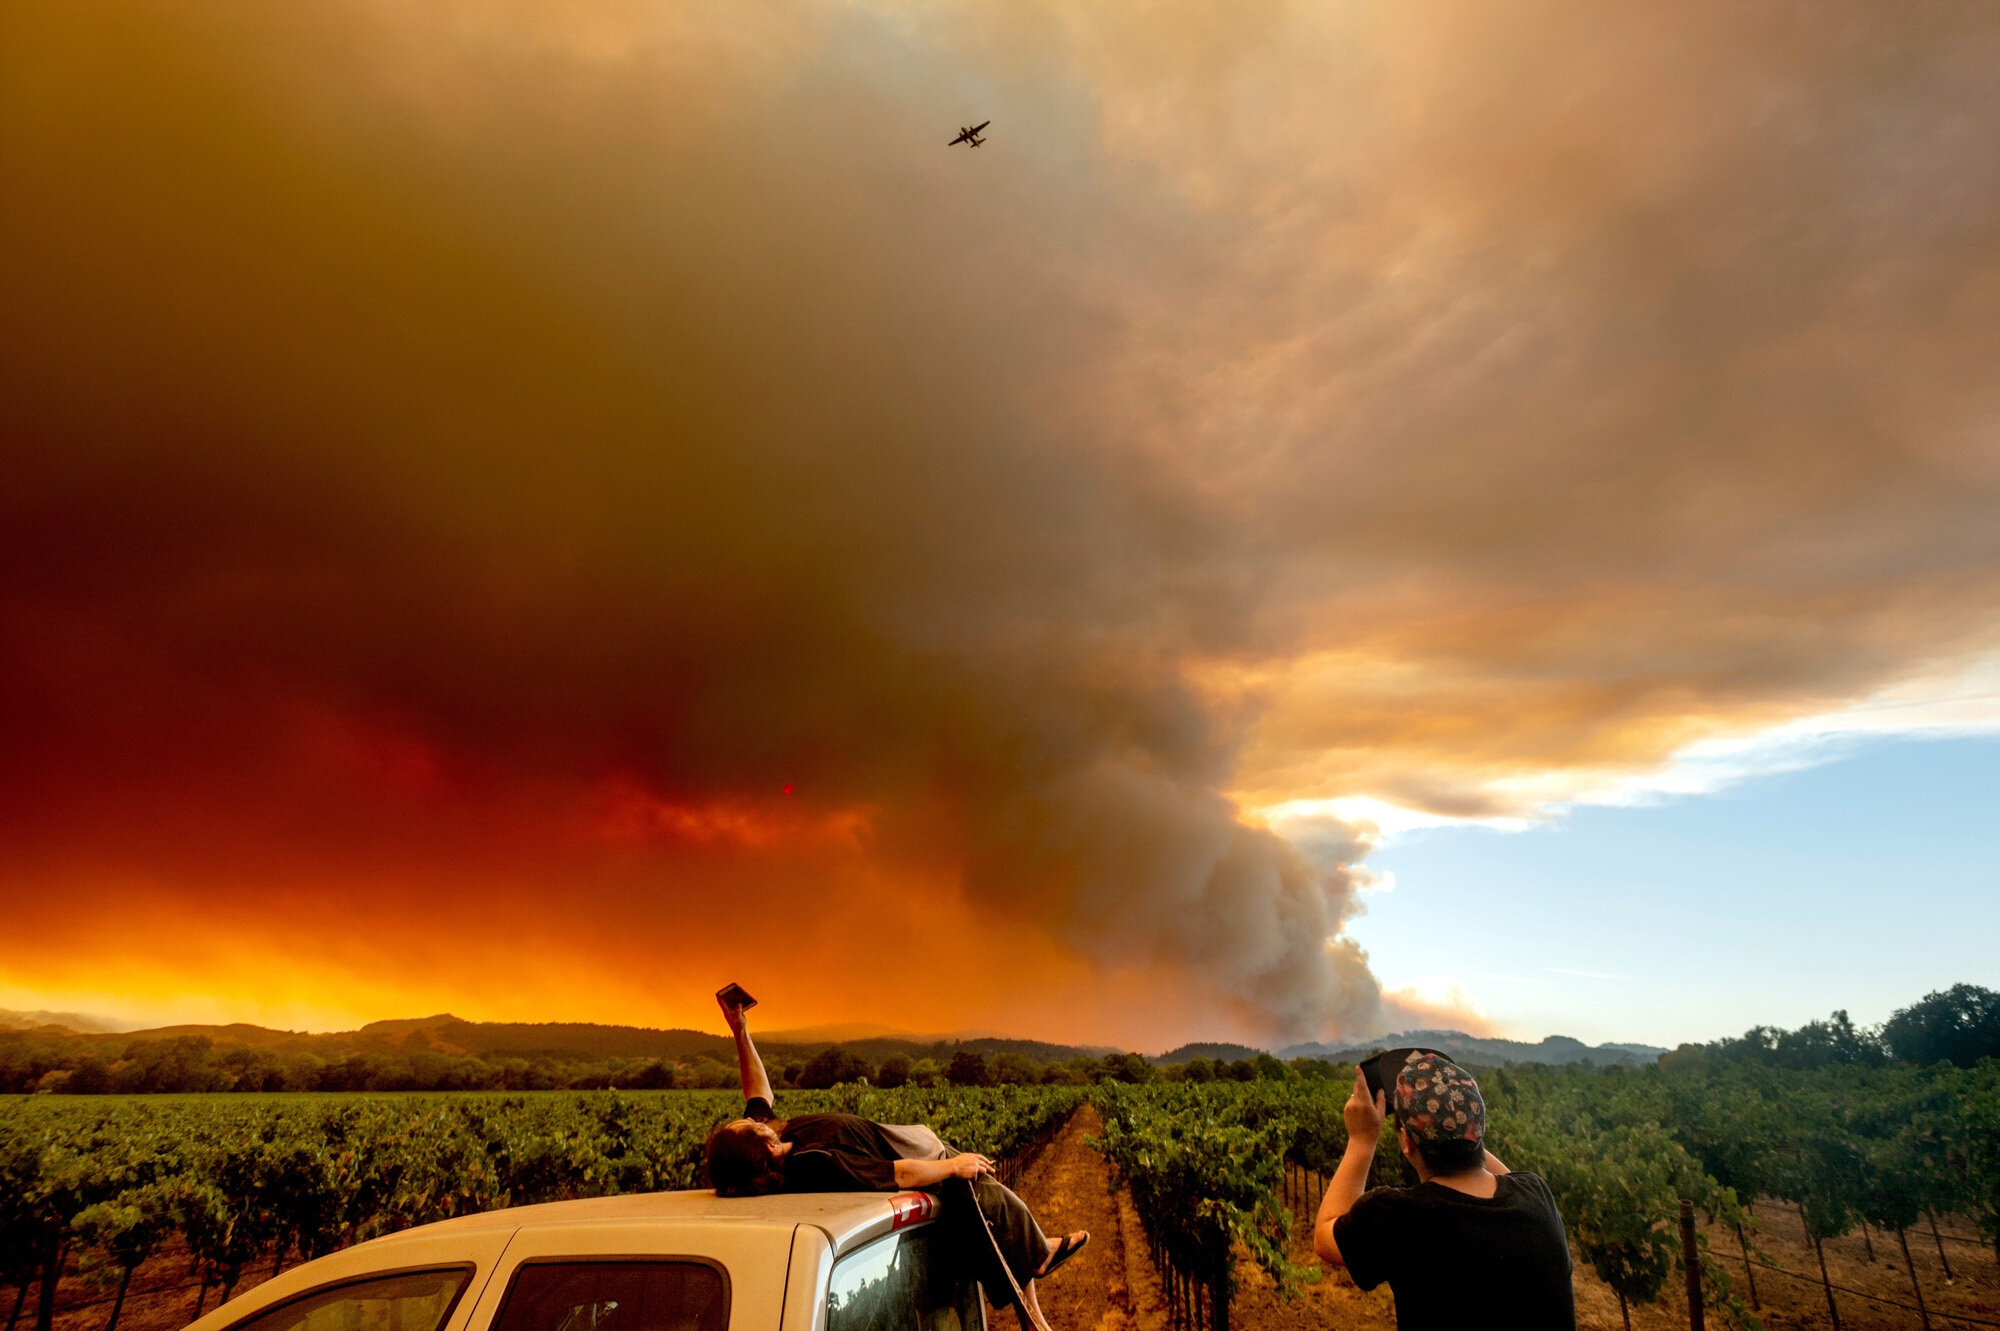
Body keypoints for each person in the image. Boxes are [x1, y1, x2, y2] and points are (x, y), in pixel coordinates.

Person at [703, 993, 1087, 1328]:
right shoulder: (811, 1162)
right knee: (989, 1201)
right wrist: (954, 1166)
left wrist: (740, 1030)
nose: (749, 1119)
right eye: (745, 1127)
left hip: (916, 1145)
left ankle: (1035, 1298)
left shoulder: (779, 1140)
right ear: (761, 1148)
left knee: (994, 1210)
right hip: (921, 1158)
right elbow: (895, 1173)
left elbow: (758, 1092)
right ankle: (1039, 1267)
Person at [1312, 1053, 1575, 1329]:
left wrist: (1362, 1139)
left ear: (1406, 1142)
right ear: (1479, 1131)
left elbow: (1324, 1236)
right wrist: (1456, 1120)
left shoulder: (1397, 1217)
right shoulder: (1536, 1196)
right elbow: (1500, 1175)